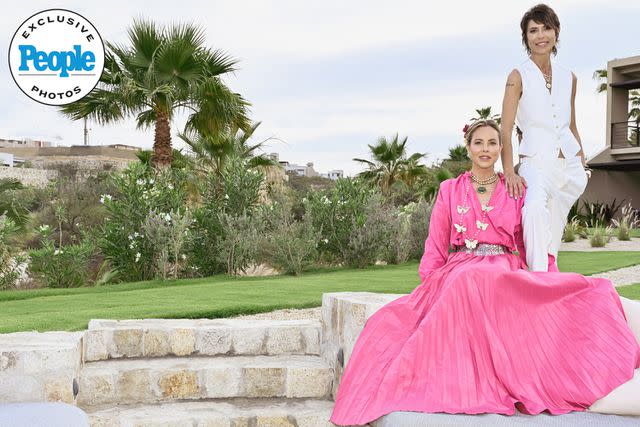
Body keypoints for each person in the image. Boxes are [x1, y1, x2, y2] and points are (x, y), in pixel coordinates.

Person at [329, 120, 640, 426]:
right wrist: (430, 286)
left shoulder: (515, 188)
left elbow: (529, 241)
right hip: (460, 269)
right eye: (479, 143)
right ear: (468, 147)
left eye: (492, 143)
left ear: (501, 148)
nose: (485, 149)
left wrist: (549, 276)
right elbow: (436, 245)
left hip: (504, 269)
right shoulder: (449, 190)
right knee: (393, 320)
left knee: (574, 288)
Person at [500, 4, 589, 272]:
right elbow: (505, 128)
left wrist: (581, 160)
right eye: (533, 30)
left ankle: (549, 267)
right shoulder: (518, 76)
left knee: (554, 224)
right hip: (535, 163)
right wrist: (508, 171)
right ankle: (539, 278)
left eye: (546, 28)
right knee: (535, 211)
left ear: (556, 32)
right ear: (525, 37)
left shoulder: (569, 77)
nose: (541, 36)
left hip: (569, 166)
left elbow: (571, 123)